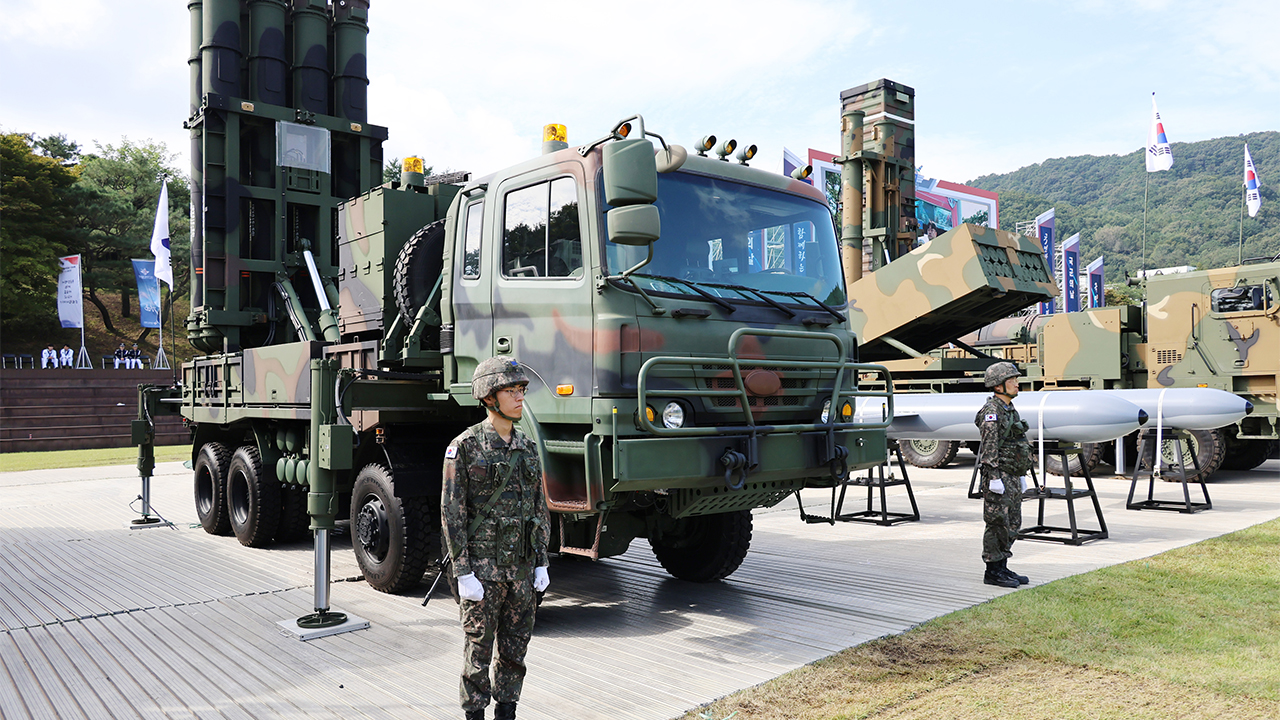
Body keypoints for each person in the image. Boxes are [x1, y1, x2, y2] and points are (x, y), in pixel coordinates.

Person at [442, 356, 551, 720]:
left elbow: (539, 508)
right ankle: (474, 714)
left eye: (522, 390)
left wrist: (541, 562)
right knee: (478, 651)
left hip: (521, 570)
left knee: (515, 651)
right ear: (489, 396)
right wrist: (463, 572)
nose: (520, 397)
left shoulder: (528, 447)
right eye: (511, 391)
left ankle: (507, 711)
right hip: (483, 573)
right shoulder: (465, 446)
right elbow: (452, 513)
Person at [974, 361, 1034, 589]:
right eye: (1012, 380)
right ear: (998, 386)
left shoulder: (1009, 409)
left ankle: (1002, 565)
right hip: (998, 476)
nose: (1017, 384)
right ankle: (992, 570)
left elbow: (1017, 441)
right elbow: (989, 447)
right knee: (997, 523)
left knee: (1012, 522)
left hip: (1012, 474)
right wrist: (994, 478)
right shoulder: (992, 412)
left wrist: (1021, 474)